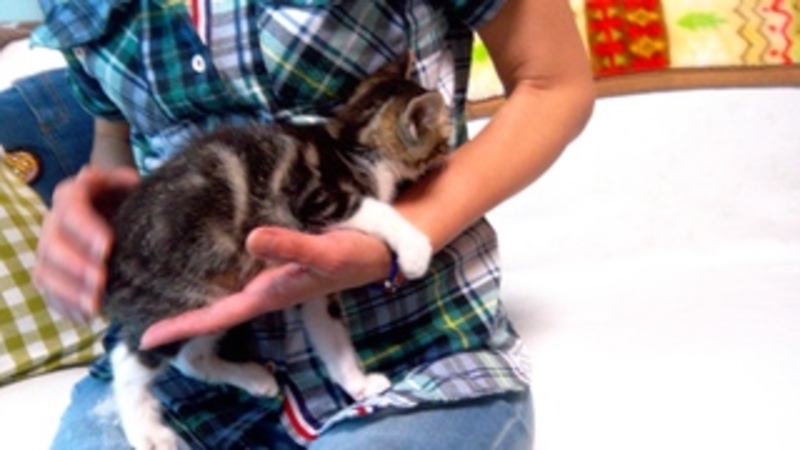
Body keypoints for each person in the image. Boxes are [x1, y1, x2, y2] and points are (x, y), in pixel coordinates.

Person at [32, 0, 594, 448]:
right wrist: (103, 212)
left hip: (414, 355)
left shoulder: (339, 170)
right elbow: (114, 136)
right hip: (184, 356)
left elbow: (553, 82)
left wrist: (402, 235)